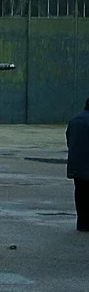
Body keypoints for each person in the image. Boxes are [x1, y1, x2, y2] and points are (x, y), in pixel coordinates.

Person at [66, 97, 89, 232]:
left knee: (80, 193)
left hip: (77, 165)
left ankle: (82, 222)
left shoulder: (75, 119)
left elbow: (69, 139)